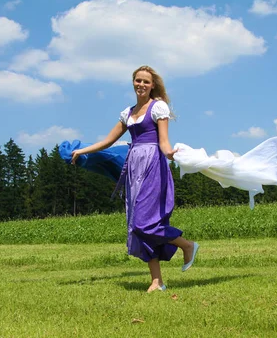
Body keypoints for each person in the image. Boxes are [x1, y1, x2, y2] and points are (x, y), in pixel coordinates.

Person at [71, 65, 199, 293]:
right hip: (134, 169)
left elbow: (163, 141)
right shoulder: (127, 113)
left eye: (146, 82)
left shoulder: (158, 107)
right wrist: (83, 151)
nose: (141, 85)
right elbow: (108, 141)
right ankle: (156, 281)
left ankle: (186, 245)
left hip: (153, 166)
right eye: (138, 81)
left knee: (144, 223)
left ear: (152, 86)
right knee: (137, 225)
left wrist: (169, 153)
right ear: (133, 83)